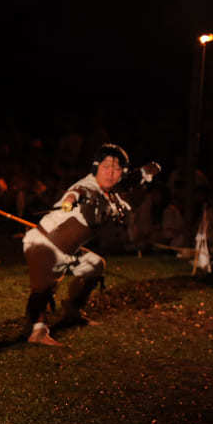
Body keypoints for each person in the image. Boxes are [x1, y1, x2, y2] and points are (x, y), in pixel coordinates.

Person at [21, 144, 159, 346]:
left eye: (116, 169)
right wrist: (69, 201)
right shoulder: (88, 186)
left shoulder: (110, 189)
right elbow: (77, 192)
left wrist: (146, 171)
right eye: (106, 167)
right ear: (96, 167)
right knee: (43, 288)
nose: (110, 173)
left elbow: (128, 182)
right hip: (44, 244)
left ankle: (72, 310)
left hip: (69, 251)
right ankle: (37, 331)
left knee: (95, 265)